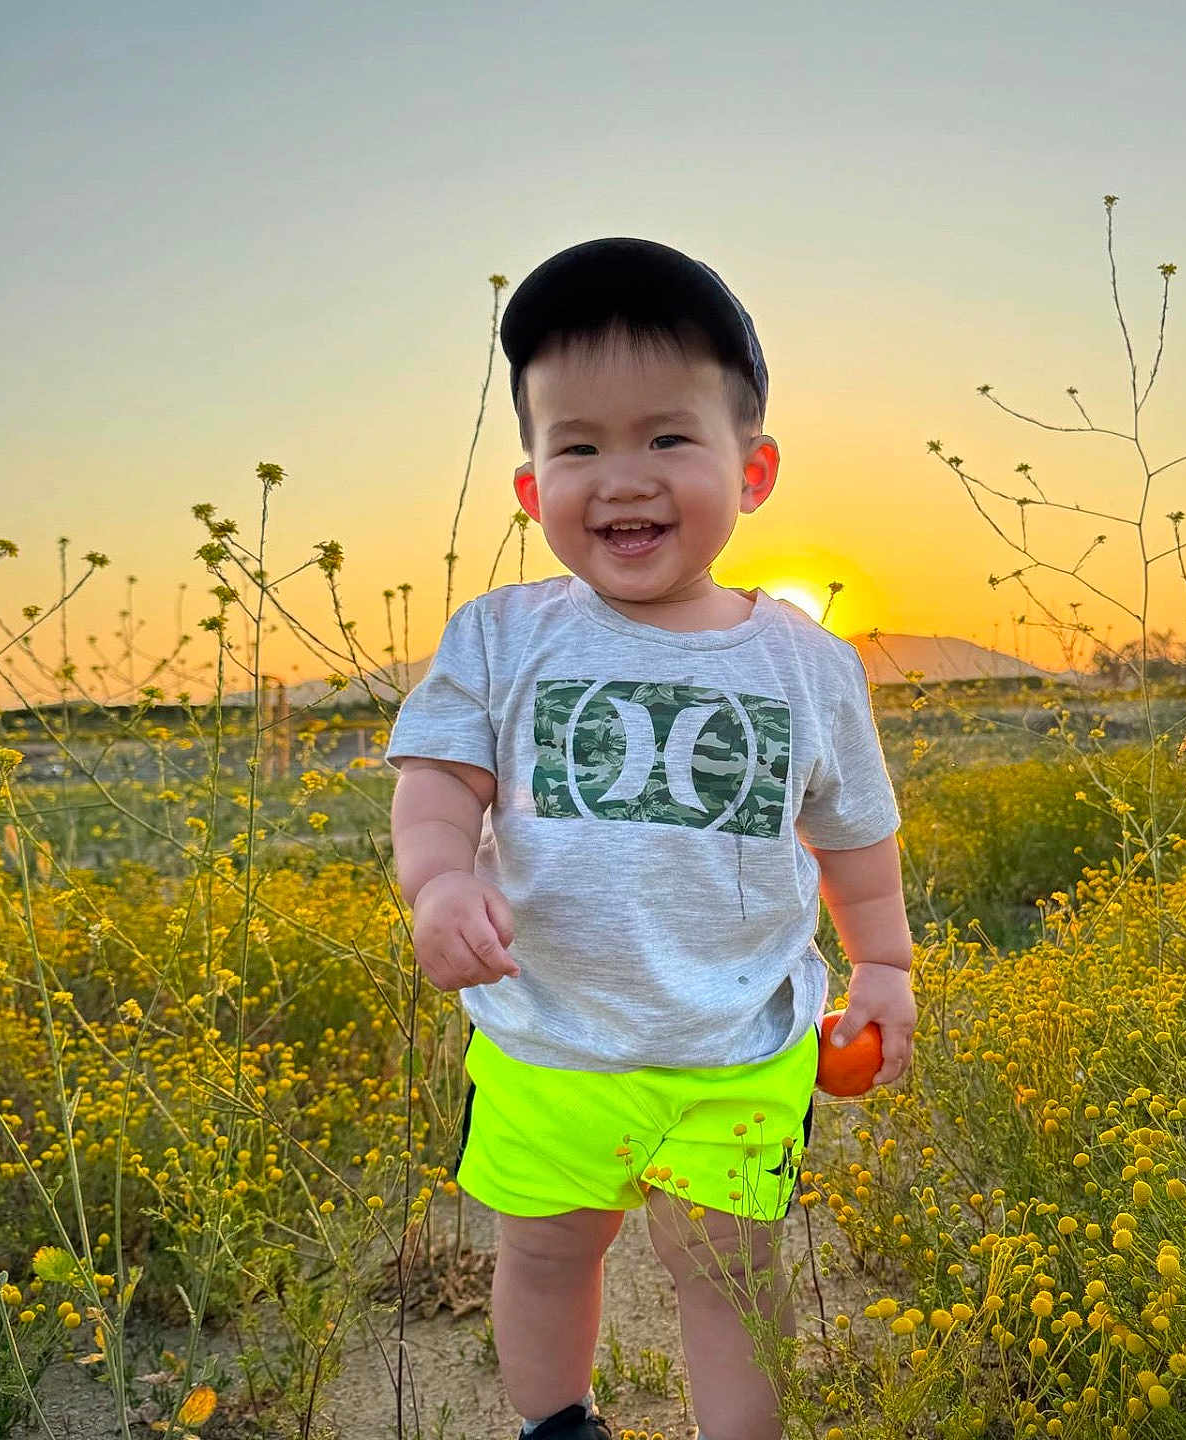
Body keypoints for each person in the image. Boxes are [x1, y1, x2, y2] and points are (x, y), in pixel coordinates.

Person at [386, 237, 916, 1440]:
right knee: (544, 1256)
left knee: (731, 1284)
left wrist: (881, 962)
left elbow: (855, 835)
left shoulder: (807, 664)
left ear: (755, 467)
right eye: (578, 446)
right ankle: (558, 1426)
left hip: (738, 1047)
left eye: (667, 438)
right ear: (531, 490)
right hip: (546, 1038)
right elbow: (436, 785)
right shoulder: (501, 636)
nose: (621, 477)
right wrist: (435, 884)